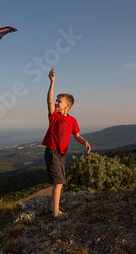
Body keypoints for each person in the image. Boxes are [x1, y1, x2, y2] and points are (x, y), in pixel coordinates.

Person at [42, 68, 91, 219]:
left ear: (67, 106)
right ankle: (55, 213)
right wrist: (52, 82)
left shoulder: (72, 120)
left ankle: (52, 206)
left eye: (59, 101)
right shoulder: (54, 117)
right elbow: (49, 101)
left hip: (61, 154)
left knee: (60, 181)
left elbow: (76, 135)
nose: (56, 102)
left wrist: (85, 142)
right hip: (52, 152)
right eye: (56, 101)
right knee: (58, 183)